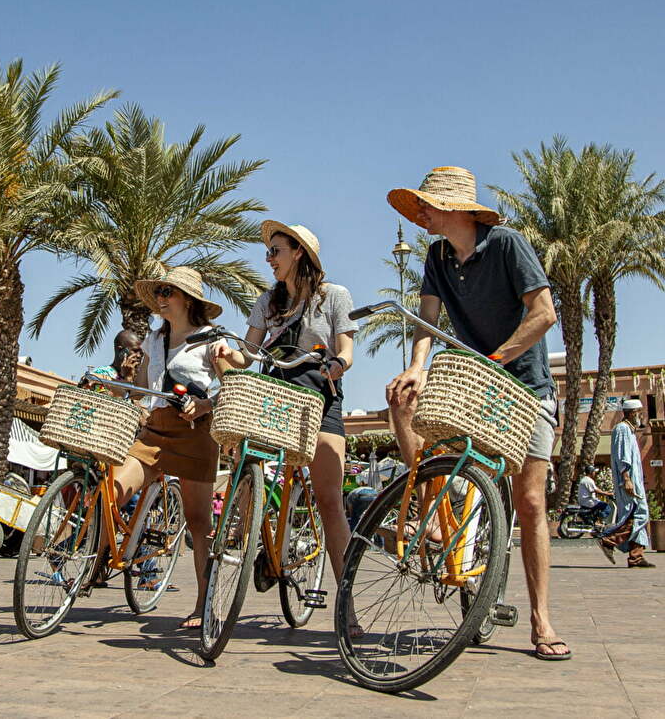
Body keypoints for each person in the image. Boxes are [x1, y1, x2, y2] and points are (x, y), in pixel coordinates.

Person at [385, 166, 571, 661]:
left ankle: (541, 620)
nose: (419, 214)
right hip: (475, 388)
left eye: (425, 205)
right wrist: (418, 368)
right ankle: (431, 509)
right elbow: (427, 319)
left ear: (452, 209)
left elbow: (544, 313)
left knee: (530, 502)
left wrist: (499, 358)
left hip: (526, 387)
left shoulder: (507, 245)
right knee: (402, 398)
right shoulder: (436, 256)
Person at [212, 220, 359, 632]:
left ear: (299, 253)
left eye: (276, 251)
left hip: (319, 395)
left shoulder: (334, 297)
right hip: (274, 397)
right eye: (268, 252)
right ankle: (260, 538)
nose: (269, 259)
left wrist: (338, 362)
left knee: (330, 500)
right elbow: (249, 352)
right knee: (247, 467)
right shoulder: (267, 302)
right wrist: (227, 353)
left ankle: (347, 607)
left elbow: (347, 347)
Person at [113, 267, 228, 629]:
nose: (161, 298)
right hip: (154, 430)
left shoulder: (213, 340)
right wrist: (124, 382)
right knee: (113, 490)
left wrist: (207, 404)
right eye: (159, 291)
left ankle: (203, 604)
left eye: (169, 291)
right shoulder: (152, 339)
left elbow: (233, 386)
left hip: (196, 432)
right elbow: (144, 387)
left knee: (198, 524)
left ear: (188, 299)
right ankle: (91, 561)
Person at [599, 400, 655, 568]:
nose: (642, 414)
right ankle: (609, 540)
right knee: (637, 514)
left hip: (634, 481)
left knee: (636, 515)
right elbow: (623, 456)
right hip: (627, 481)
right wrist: (627, 479)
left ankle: (636, 556)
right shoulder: (622, 429)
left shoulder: (630, 430)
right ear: (632, 413)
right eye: (640, 411)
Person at [82, 329, 143, 396]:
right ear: (121, 351)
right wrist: (127, 379)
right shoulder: (101, 373)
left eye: (141, 352)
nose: (139, 355)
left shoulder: (136, 378)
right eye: (135, 351)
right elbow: (106, 402)